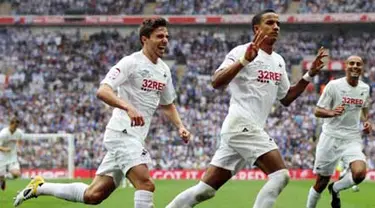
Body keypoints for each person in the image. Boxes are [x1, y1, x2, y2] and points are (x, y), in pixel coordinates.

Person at [14, 17, 191, 208]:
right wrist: (128, 107)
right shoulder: (130, 62)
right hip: (121, 133)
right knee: (145, 184)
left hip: (136, 137)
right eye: (159, 36)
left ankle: (39, 187)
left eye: (167, 36)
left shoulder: (164, 70)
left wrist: (180, 126)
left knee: (94, 195)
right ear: (144, 39)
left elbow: (167, 104)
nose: (165, 40)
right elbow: (103, 90)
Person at [166, 9, 327, 208]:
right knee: (280, 176)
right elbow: (216, 82)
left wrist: (308, 75)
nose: (276, 27)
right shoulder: (241, 51)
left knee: (205, 190)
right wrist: (244, 61)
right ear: (256, 28)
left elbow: (286, 98)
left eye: (278, 23)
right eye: (270, 23)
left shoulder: (278, 61)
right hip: (242, 124)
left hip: (242, 130)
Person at [306, 55, 371, 208]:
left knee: (360, 173)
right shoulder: (333, 86)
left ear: (362, 68)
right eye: (352, 63)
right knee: (321, 182)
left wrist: (366, 121)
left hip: (351, 138)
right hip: (331, 137)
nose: (355, 66)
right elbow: (317, 111)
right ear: (345, 66)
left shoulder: (365, 88)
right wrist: (332, 112)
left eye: (359, 64)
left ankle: (335, 189)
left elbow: (364, 107)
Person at [0, 117, 23, 191]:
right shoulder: (3, 133)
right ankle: (2, 179)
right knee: (0, 176)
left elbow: (19, 140)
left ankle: (4, 178)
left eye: (17, 126)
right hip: (2, 157)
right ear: (10, 124)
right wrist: (5, 149)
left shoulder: (19, 132)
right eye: (14, 126)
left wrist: (18, 148)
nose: (16, 128)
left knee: (17, 174)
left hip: (12, 157)